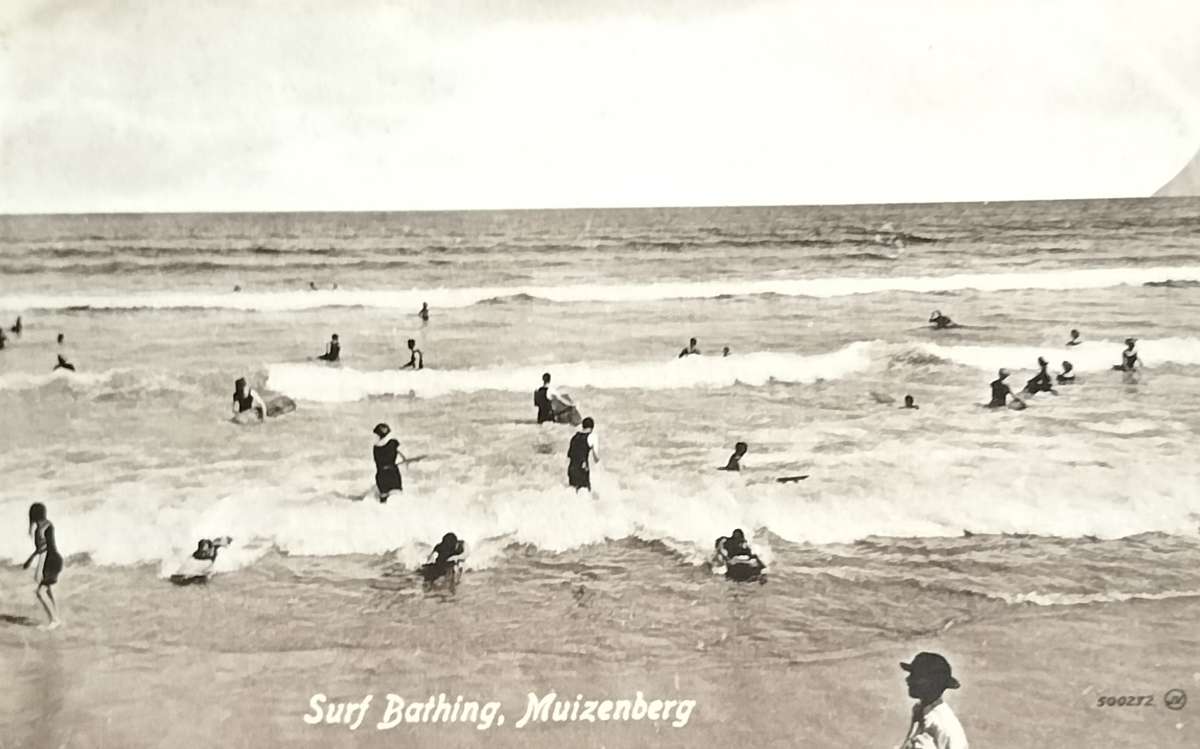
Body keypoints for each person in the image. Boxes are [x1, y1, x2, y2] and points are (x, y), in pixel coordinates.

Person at [897, 651, 969, 749]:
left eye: (915, 677)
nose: (908, 680)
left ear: (932, 683)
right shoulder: (919, 710)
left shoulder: (946, 726)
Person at [22, 503, 63, 630]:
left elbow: (44, 549)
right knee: (47, 590)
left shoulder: (42, 529)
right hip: (54, 560)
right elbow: (41, 548)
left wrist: (38, 570)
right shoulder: (45, 526)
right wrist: (30, 559)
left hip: (50, 562)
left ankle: (54, 620)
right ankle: (56, 617)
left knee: (40, 592)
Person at [372, 423, 407, 502]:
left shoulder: (376, 447)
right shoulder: (393, 443)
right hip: (392, 473)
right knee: (397, 500)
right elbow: (403, 458)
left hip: (381, 475)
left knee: (383, 502)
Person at [567, 417, 599, 492]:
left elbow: (570, 455)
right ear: (592, 427)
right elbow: (596, 458)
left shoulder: (574, 437)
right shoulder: (592, 436)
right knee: (586, 493)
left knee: (574, 493)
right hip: (582, 468)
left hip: (571, 469)